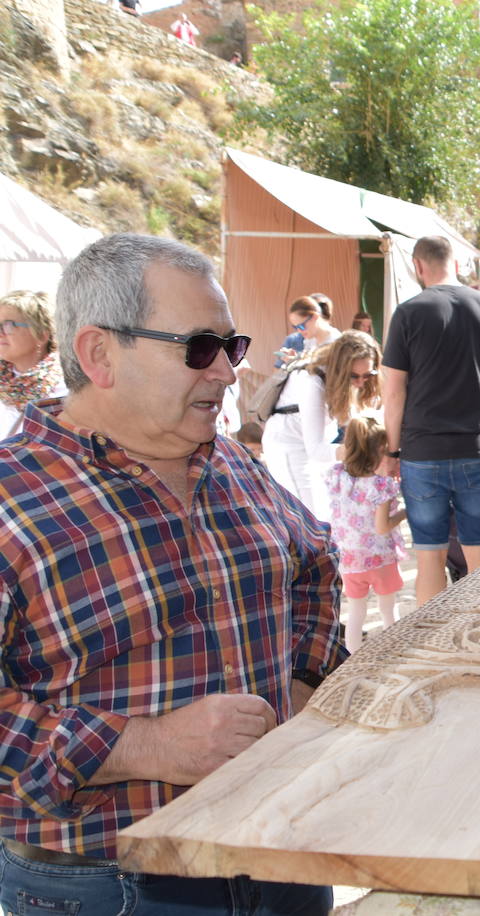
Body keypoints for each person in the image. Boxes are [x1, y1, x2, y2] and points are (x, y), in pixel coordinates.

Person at [0, 233, 343, 913]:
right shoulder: (13, 503)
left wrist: (304, 681)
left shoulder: (232, 465)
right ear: (99, 354)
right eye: (198, 349)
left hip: (277, 852)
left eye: (232, 347)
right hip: (113, 884)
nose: (225, 373)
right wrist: (143, 746)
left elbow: (314, 564)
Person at [382, 235, 480, 605]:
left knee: (430, 560)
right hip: (475, 446)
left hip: (422, 452)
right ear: (455, 263)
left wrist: (392, 450)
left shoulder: (408, 313)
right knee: (479, 555)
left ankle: (430, 649)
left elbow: (393, 392)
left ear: (418, 266)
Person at [261, 330, 382, 521]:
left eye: (368, 375)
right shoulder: (313, 381)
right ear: (341, 370)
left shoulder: (341, 379)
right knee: (311, 518)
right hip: (289, 448)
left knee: (328, 516)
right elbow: (315, 450)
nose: (360, 382)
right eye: (354, 376)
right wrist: (356, 451)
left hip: (315, 447)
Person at [327, 415, 407, 652]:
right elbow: (382, 527)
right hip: (379, 558)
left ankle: (352, 657)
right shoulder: (380, 485)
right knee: (387, 609)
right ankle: (394, 652)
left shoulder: (338, 476)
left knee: (356, 612)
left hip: (350, 560)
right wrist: (405, 512)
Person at [0, 290, 67, 439]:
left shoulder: (65, 391)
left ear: (42, 335)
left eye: (8, 325)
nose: (0, 332)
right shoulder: (3, 383)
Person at [274, 294, 339, 368]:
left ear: (315, 317)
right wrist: (295, 360)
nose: (299, 331)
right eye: (295, 327)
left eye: (301, 326)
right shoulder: (310, 340)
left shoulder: (336, 343)